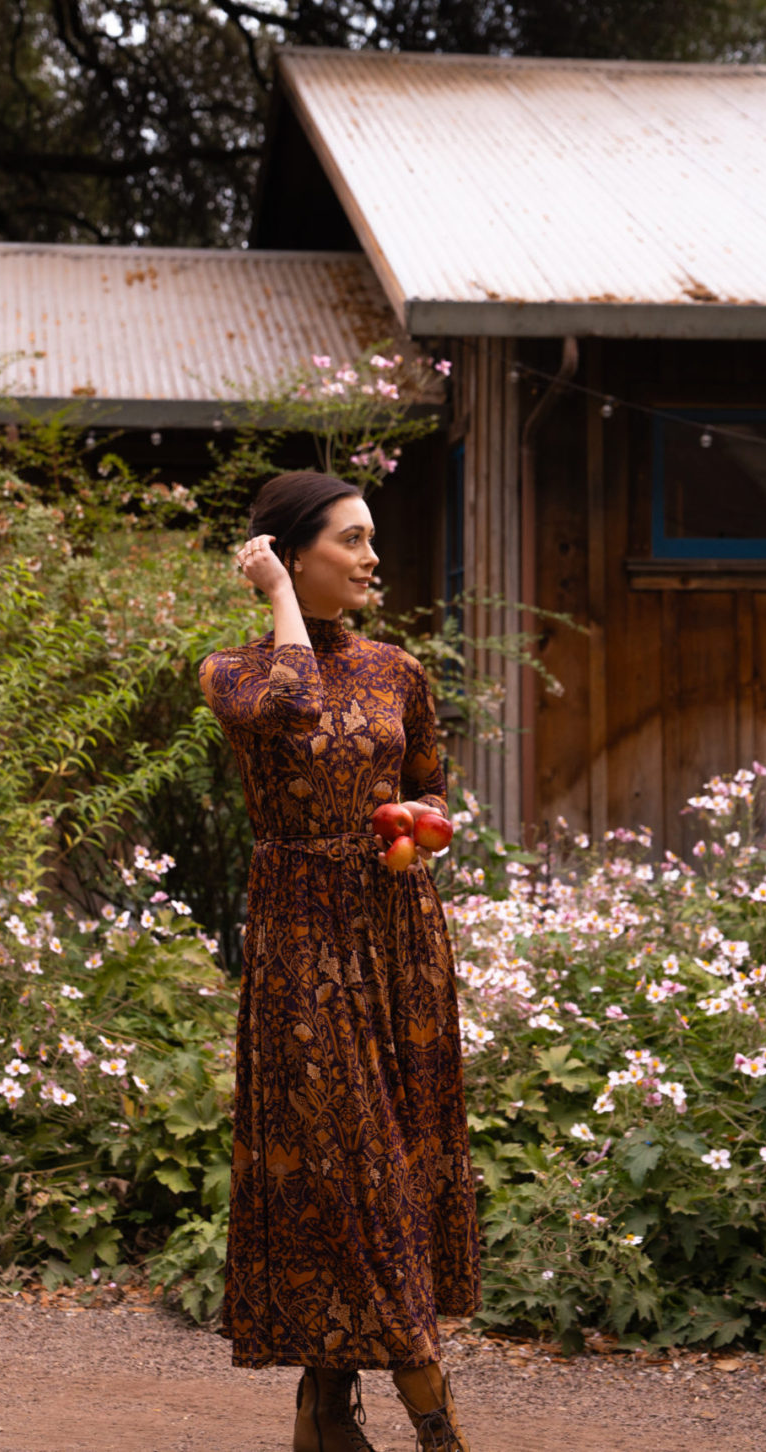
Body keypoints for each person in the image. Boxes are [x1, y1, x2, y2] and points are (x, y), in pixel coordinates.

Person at [199, 470, 481, 1452]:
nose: (372, 559)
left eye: (372, 540)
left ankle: (323, 1414)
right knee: (354, 1169)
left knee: (382, 1170)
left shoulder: (399, 670)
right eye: (351, 542)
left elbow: (430, 790)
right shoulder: (230, 672)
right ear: (290, 551)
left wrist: (417, 831)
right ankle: (440, 1431)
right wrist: (278, 600)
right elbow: (287, 710)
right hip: (302, 944)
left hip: (399, 936)